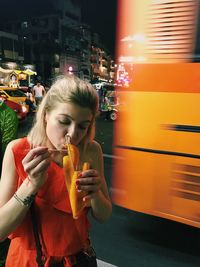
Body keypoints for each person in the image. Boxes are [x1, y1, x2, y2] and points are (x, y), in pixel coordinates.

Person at [0, 75, 112, 267]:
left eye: (83, 126)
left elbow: (104, 215)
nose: (72, 134)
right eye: (64, 121)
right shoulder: (18, 150)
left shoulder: (91, 150)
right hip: (30, 261)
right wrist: (30, 185)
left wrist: (95, 195)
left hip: (77, 259)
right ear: (46, 115)